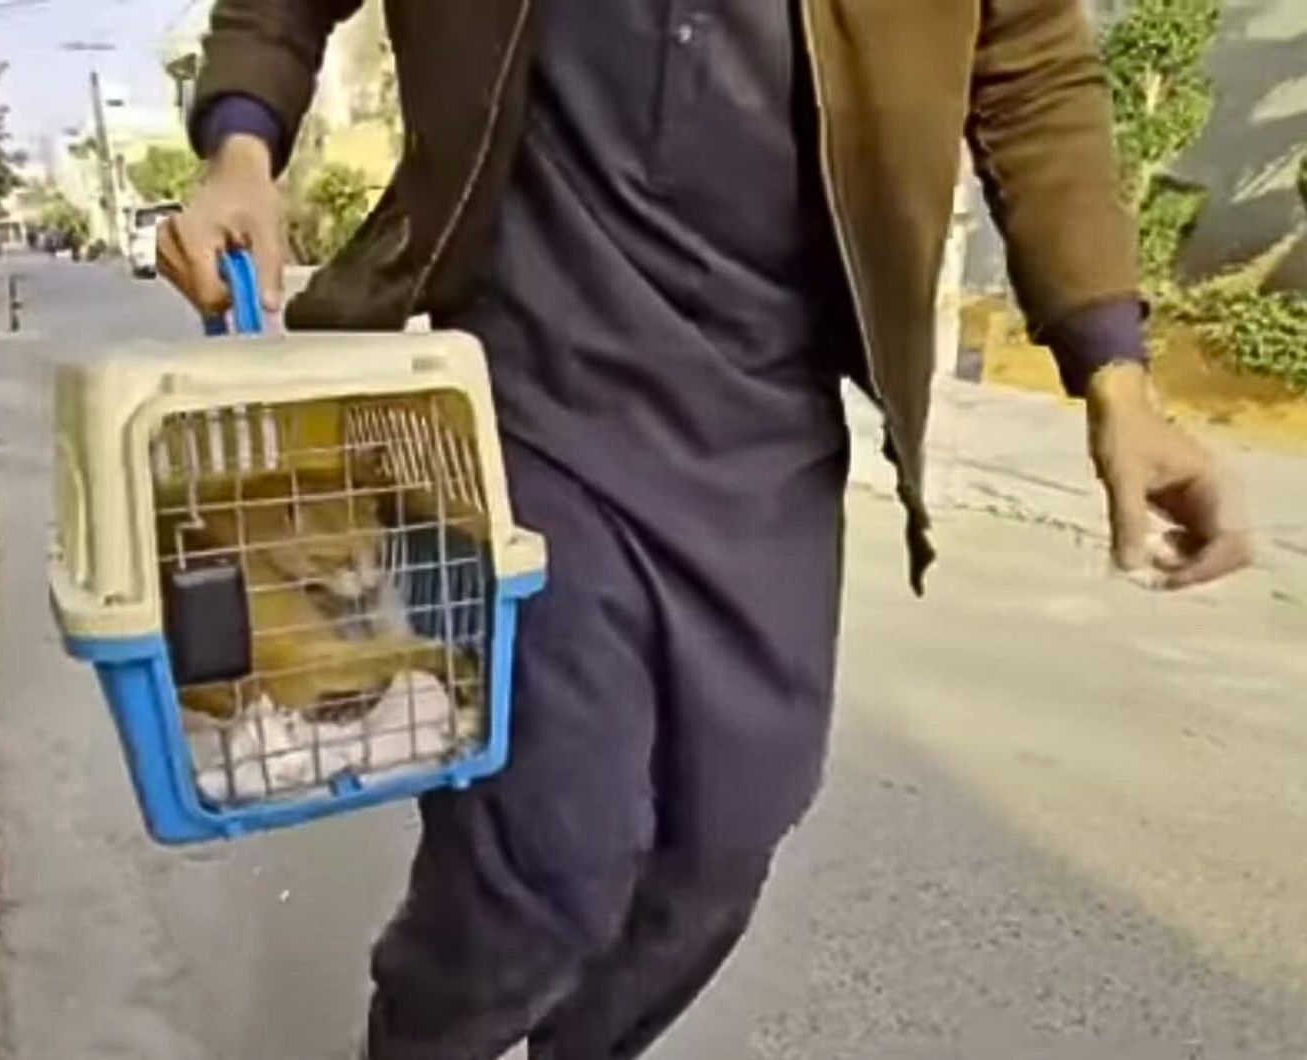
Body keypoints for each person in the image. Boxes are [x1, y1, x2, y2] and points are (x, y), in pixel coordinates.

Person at [158, 2, 1252, 1056]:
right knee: (550, 856)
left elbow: (1031, 73)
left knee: (722, 844)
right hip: (522, 403)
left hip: (765, 420)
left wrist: (1115, 377)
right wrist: (243, 149)